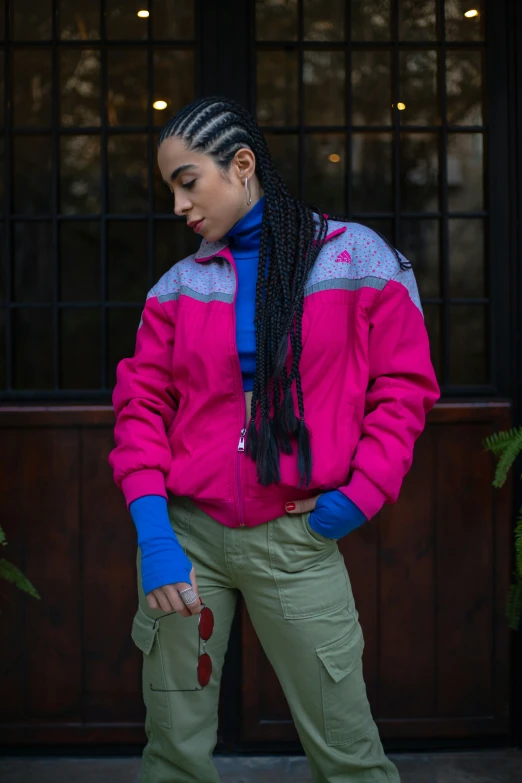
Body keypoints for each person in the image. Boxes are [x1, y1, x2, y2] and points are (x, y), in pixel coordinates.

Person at [109, 95, 440, 783]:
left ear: (242, 163)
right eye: (169, 186)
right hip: (186, 541)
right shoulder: (176, 287)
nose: (178, 206)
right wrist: (156, 536)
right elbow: (140, 411)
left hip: (296, 540)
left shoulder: (357, 258)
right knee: (172, 749)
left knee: (348, 751)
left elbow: (404, 388)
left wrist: (356, 498)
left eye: (187, 181)